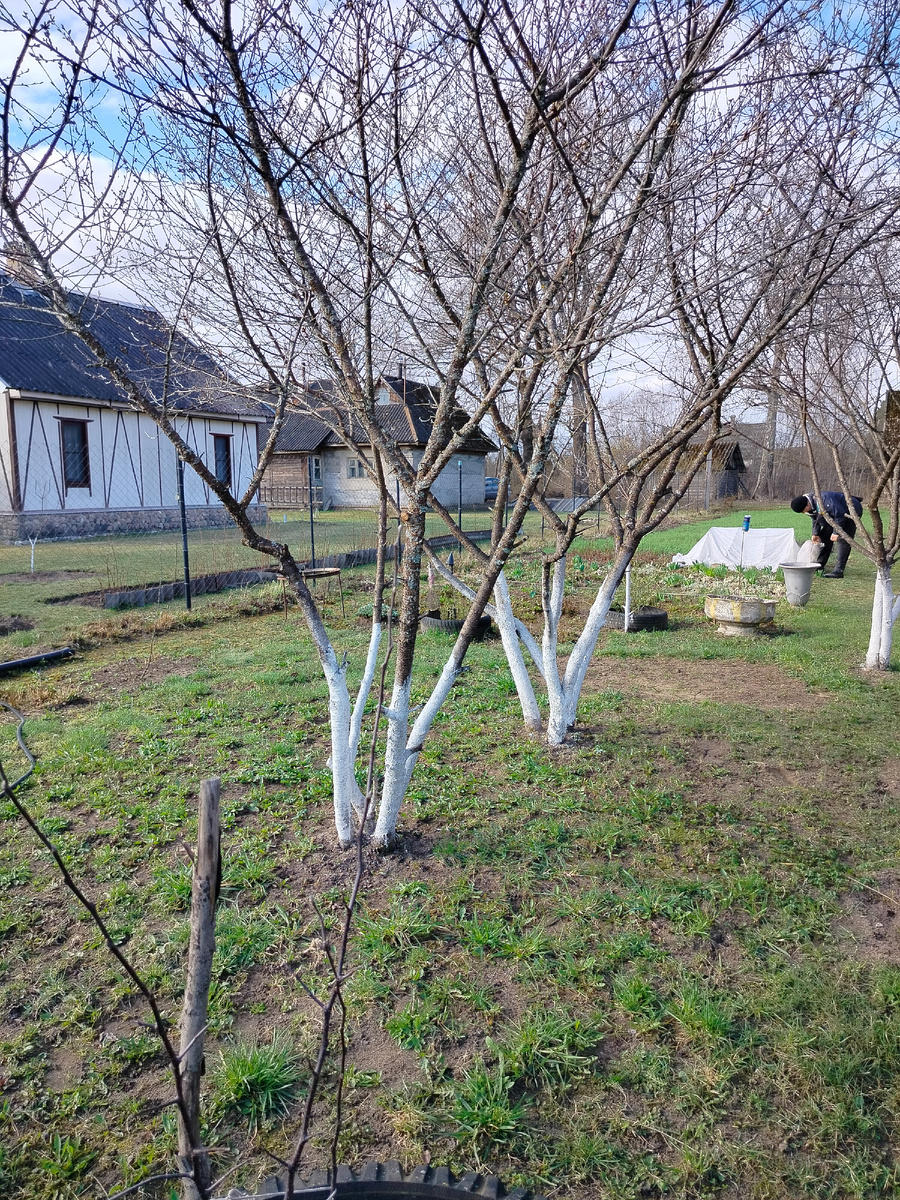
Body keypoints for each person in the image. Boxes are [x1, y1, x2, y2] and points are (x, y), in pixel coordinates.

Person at [790, 491, 863, 578]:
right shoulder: (809, 503)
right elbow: (815, 518)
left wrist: (836, 532)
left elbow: (840, 515)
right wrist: (815, 533)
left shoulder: (824, 500)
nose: (803, 513)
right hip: (834, 513)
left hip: (851, 510)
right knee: (824, 536)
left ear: (807, 505)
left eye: (803, 511)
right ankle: (820, 565)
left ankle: (839, 570)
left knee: (843, 539)